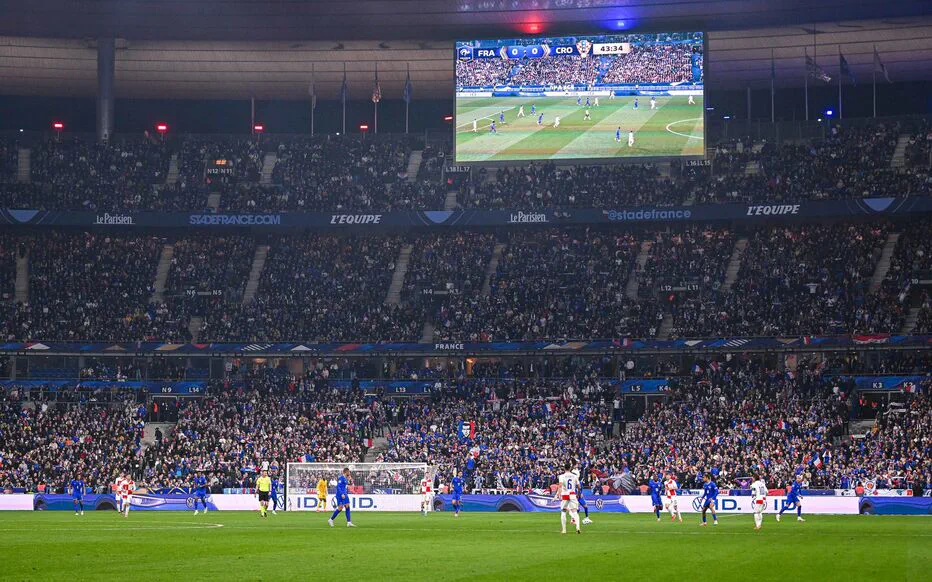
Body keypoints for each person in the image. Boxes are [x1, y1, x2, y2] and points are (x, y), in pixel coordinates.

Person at [555, 462, 581, 534]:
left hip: (565, 494)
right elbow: (579, 487)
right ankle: (578, 527)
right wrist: (579, 494)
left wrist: (558, 494)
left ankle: (564, 530)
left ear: (564, 468)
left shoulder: (561, 476)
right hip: (572, 494)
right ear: (570, 468)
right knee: (575, 512)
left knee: (563, 512)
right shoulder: (574, 476)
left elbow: (560, 486)